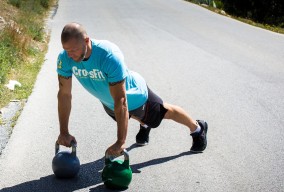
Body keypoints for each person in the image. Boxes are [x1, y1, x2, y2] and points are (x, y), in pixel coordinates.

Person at [56, 22, 208, 157]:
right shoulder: (65, 58)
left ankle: (197, 128)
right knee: (135, 116)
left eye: (74, 50)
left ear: (86, 40)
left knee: (164, 113)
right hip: (109, 102)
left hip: (134, 95)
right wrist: (64, 131)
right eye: (66, 50)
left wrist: (120, 141)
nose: (70, 55)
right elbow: (64, 95)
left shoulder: (108, 56)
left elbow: (121, 101)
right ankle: (144, 123)